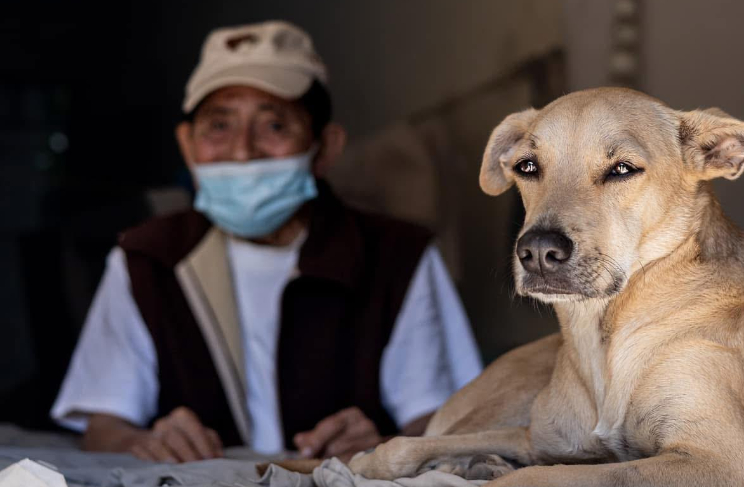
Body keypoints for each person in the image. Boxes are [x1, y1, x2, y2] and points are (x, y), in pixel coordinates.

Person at [51, 20, 482, 463]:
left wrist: (387, 443)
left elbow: (443, 421)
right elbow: (104, 424)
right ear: (187, 145)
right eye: (219, 125)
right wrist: (141, 442)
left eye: (274, 125)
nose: (242, 151)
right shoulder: (147, 258)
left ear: (325, 148)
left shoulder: (397, 256)